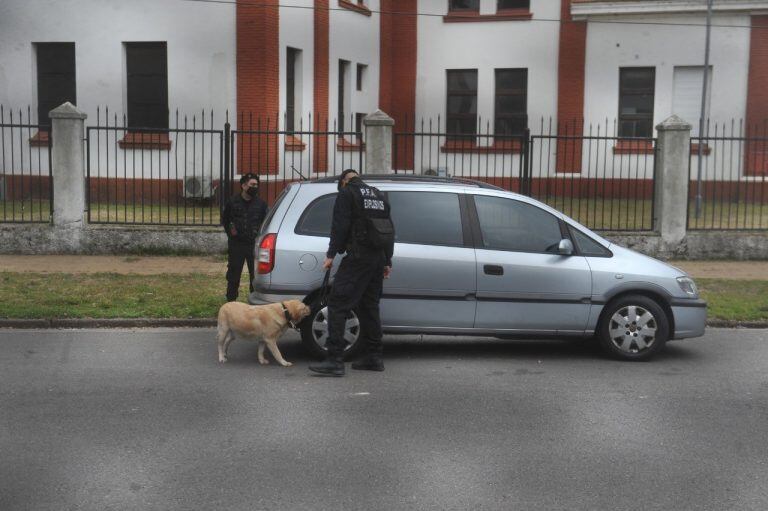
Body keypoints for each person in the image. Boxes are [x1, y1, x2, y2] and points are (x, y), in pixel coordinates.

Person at [309, 169, 395, 377]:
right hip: (377, 259)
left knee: (337, 303)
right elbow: (389, 230)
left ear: (344, 182)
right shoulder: (377, 195)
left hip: (358, 257)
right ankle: (374, 356)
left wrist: (331, 254)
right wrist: (387, 260)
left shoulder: (347, 194)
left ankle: (334, 360)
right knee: (369, 306)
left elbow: (340, 225)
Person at [221, 173, 268, 302]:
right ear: (243, 185)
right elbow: (225, 220)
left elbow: (265, 223)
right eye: (252, 184)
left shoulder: (261, 204)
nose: (255, 187)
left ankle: (254, 302)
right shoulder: (232, 202)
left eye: (257, 185)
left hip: (254, 245)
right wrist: (232, 235)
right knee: (233, 275)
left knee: (255, 276)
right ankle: (231, 303)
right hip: (237, 245)